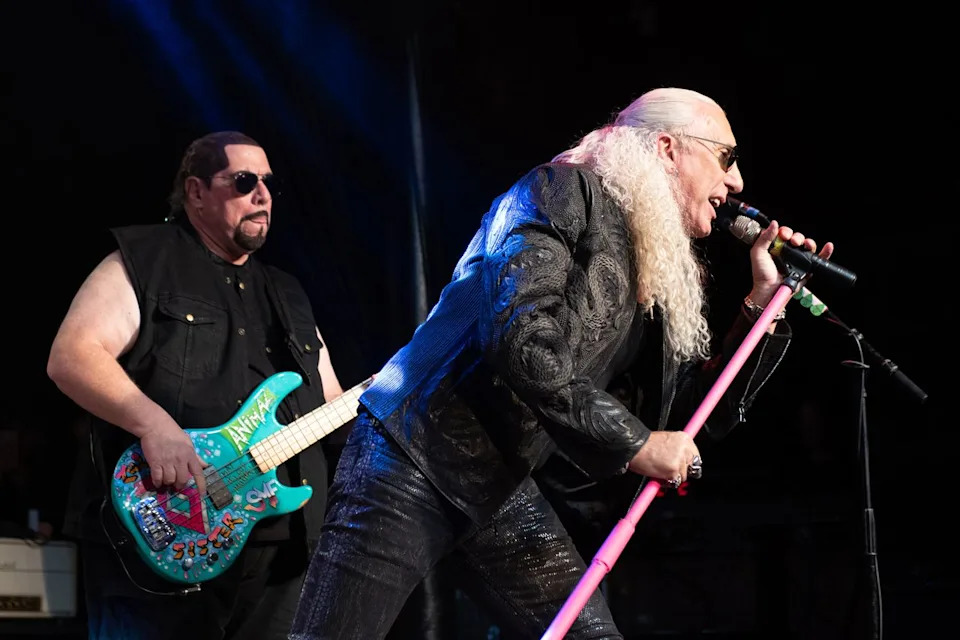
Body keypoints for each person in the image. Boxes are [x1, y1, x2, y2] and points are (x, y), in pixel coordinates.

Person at [289, 87, 835, 639]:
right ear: (668, 148)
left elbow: (691, 417)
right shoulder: (559, 190)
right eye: (726, 158)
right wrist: (636, 444)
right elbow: (519, 333)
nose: (736, 183)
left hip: (499, 484)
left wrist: (762, 308)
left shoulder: (649, 258)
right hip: (413, 452)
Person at [46, 130, 348, 640]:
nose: (262, 196)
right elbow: (72, 356)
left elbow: (333, 403)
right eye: (244, 181)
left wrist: (397, 390)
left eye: (268, 183)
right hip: (161, 545)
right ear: (196, 192)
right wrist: (154, 424)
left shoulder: (290, 296)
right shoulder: (144, 259)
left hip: (283, 556)